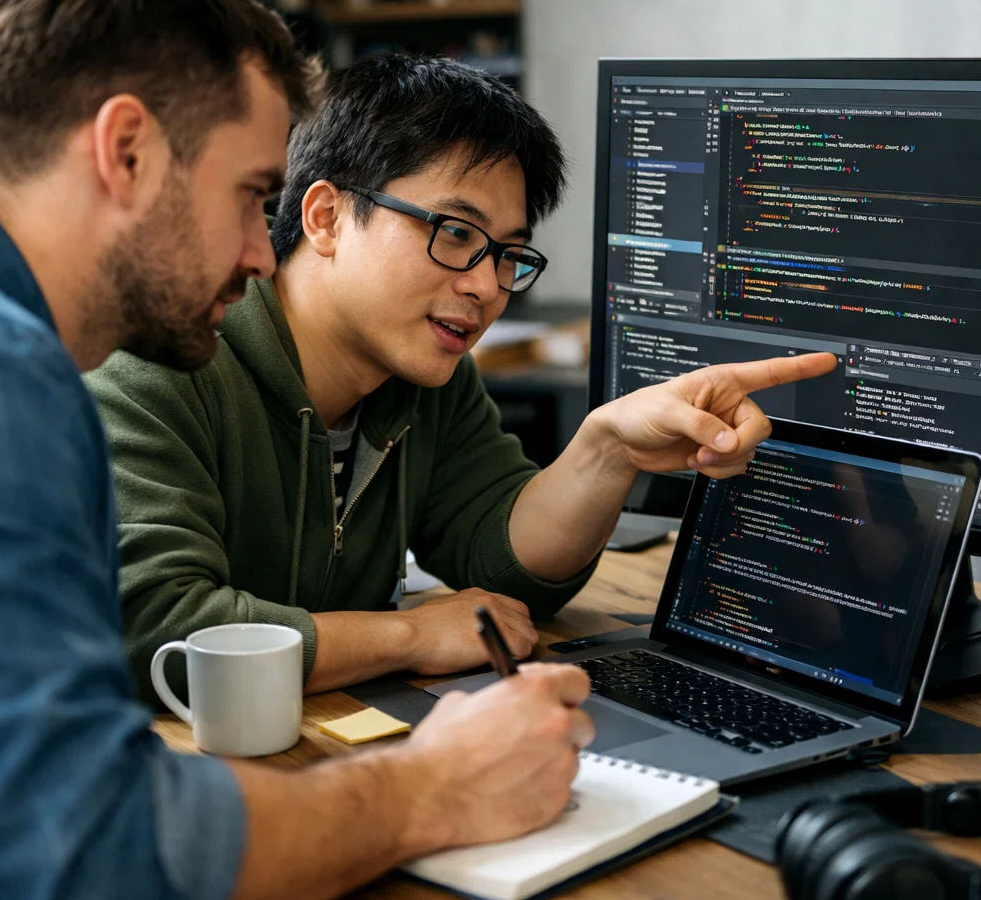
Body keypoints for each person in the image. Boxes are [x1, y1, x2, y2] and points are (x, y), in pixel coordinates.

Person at [0, 0, 597, 900]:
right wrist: (427, 786)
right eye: (247, 193)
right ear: (125, 151)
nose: (264, 253)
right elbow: (90, 870)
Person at [87, 53, 837, 702]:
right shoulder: (162, 361)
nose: (486, 285)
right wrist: (408, 636)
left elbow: (505, 565)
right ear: (325, 217)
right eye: (454, 233)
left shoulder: (425, 379)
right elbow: (157, 629)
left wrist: (607, 449)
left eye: (508, 253)